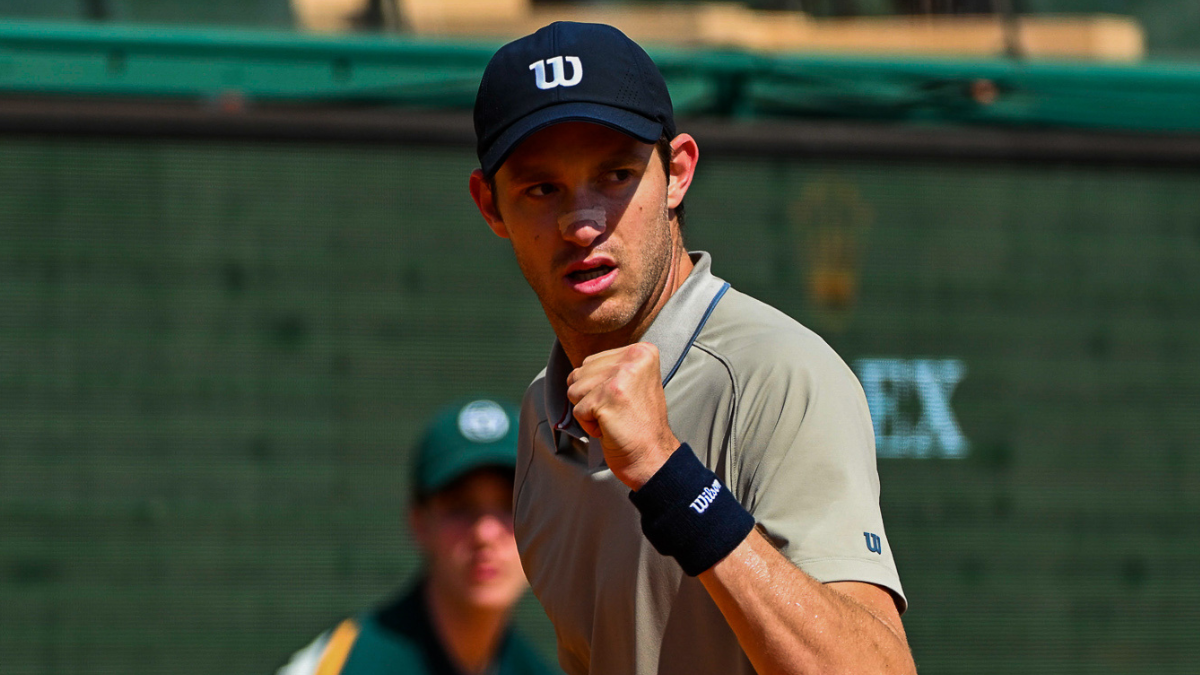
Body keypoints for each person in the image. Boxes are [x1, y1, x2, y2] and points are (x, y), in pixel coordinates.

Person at [467, 21, 917, 675]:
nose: (581, 222)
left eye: (616, 175)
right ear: (491, 205)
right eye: (542, 190)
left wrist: (666, 469)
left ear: (677, 173)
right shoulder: (545, 412)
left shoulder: (780, 375)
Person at [275, 399, 556, 675]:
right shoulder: (341, 665)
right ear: (419, 522)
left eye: (511, 506)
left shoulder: (539, 668)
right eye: (460, 507)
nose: (484, 533)